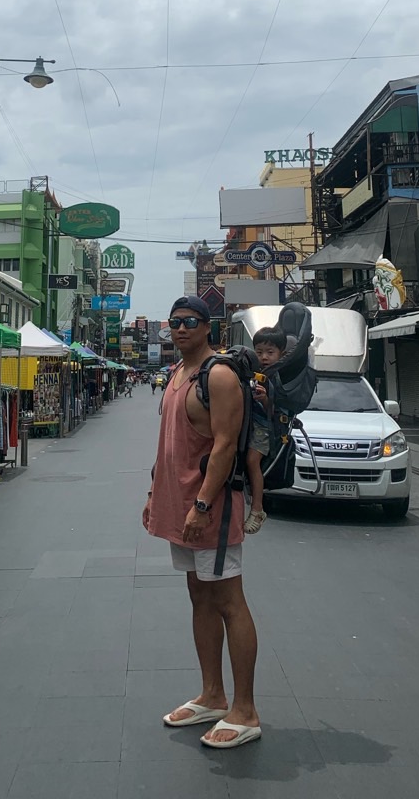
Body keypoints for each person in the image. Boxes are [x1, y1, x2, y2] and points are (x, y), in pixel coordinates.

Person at [144, 296, 261, 749]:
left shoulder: (220, 376)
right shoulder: (178, 373)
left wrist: (203, 505)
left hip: (210, 509)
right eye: (174, 322)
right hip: (179, 508)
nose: (180, 328)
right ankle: (213, 695)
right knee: (200, 597)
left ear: (207, 327)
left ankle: (245, 710)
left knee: (229, 600)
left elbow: (226, 446)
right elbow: (170, 444)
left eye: (190, 321)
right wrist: (154, 495)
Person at [244, 327, 286, 535]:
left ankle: (257, 509)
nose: (264, 357)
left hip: (265, 427)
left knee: (253, 462)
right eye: (259, 352)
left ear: (281, 353)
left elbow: (278, 410)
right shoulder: (254, 372)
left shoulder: (277, 377)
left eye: (270, 352)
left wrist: (265, 400)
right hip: (249, 424)